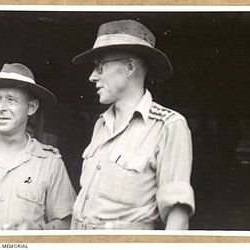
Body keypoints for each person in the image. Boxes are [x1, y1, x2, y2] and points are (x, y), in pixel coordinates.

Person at [71, 19, 195, 230]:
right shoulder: (101, 124)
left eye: (100, 66)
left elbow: (177, 216)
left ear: (129, 67)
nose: (92, 77)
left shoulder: (168, 125)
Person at [0, 63, 76, 230]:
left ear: (32, 107)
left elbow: (67, 223)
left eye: (11, 100)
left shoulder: (49, 164)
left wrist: (36, 231)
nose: (0, 108)